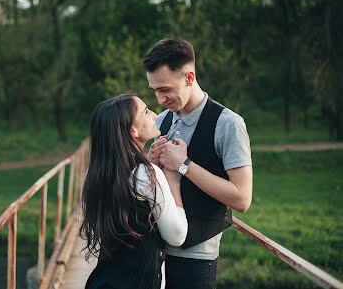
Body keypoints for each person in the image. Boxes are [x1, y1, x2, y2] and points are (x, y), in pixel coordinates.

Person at [143, 38, 253, 289]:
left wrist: (185, 165)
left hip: (196, 261)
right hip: (152, 253)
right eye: (155, 91)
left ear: (189, 77)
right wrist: (150, 163)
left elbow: (242, 199)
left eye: (165, 89)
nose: (160, 99)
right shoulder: (160, 121)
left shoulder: (229, 124)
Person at [80, 93, 188, 289]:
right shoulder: (145, 173)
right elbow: (177, 235)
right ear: (133, 131)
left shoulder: (103, 172)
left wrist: (148, 163)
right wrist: (173, 180)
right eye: (146, 112)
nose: (155, 114)